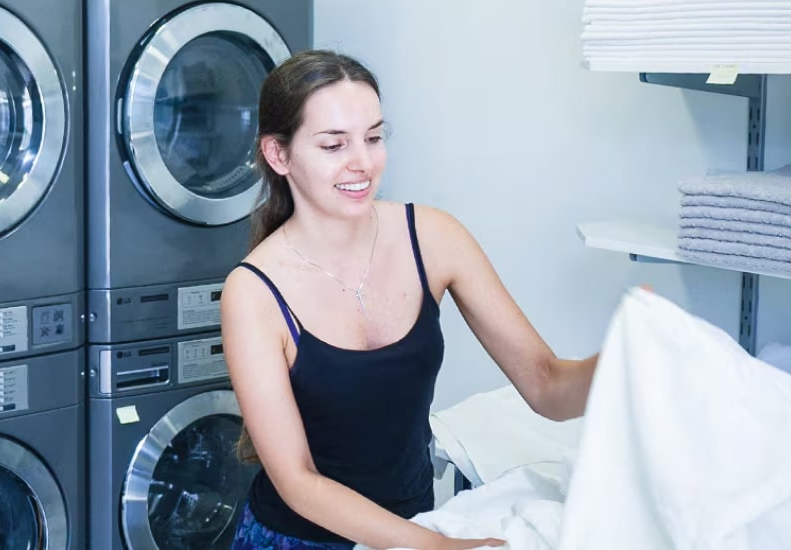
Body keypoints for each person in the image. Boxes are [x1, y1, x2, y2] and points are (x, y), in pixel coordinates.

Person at [221, 49, 598, 550]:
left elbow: (546, 386)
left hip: (416, 527)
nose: (363, 163)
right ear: (279, 155)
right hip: (302, 540)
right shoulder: (253, 292)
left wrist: (625, 359)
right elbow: (298, 481)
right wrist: (438, 548)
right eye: (334, 145)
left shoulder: (435, 237)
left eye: (374, 138)